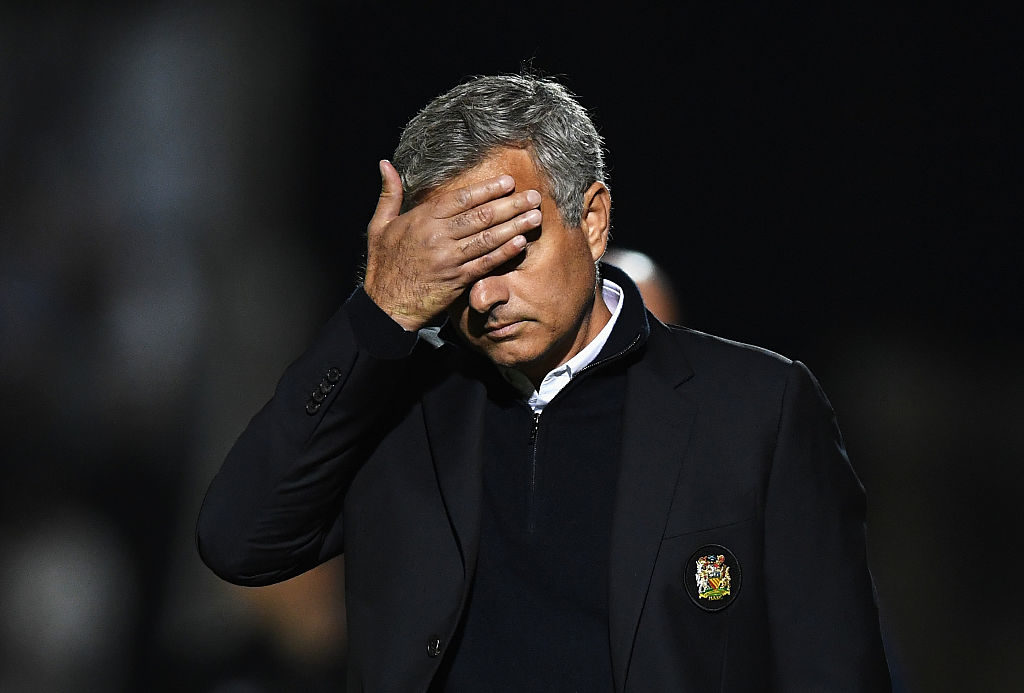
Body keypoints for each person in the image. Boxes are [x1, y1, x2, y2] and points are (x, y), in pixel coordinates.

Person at [197, 73, 891, 692]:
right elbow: (238, 538)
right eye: (461, 265)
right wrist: (378, 312)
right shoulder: (398, 404)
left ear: (591, 220)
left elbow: (834, 669)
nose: (488, 294)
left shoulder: (756, 408)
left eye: (512, 248)